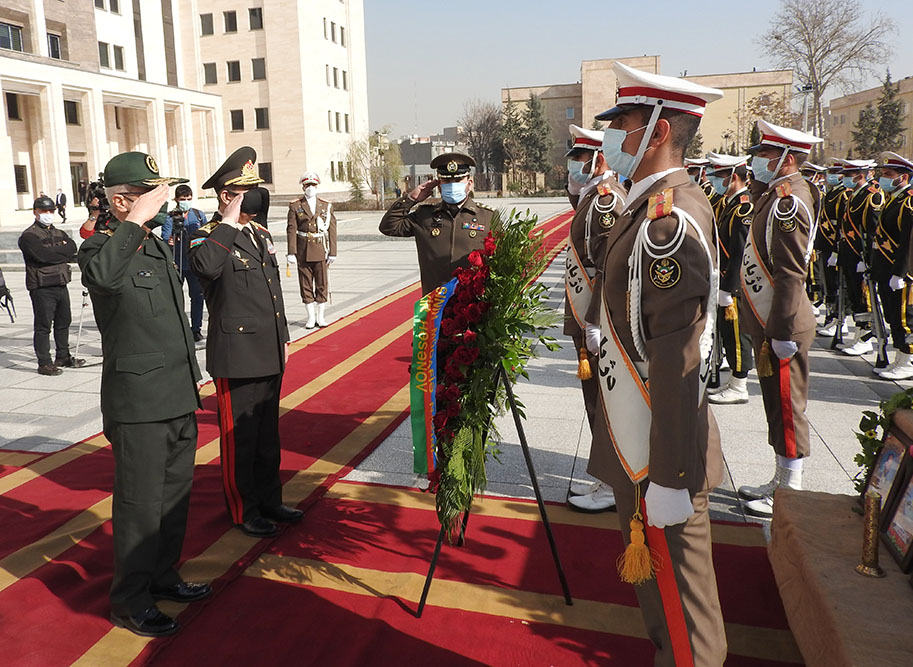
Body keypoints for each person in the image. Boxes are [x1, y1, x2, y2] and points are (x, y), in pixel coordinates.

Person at [586, 61, 727, 665]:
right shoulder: (645, 209)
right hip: (642, 431)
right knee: (662, 608)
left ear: (658, 132)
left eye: (625, 123)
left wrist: (669, 476)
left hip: (659, 442)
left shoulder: (666, 222)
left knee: (683, 613)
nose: (614, 137)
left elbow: (677, 355)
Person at [77, 151, 210, 637]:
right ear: (120, 201)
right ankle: (129, 600)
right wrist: (134, 220)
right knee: (139, 505)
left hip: (176, 393)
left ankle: (162, 574)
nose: (160, 202)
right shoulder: (102, 247)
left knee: (173, 498)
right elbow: (102, 278)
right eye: (147, 195)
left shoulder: (151, 246)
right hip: (139, 403)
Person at [190, 146, 298, 538]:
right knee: (241, 439)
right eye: (245, 190)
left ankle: (271, 498)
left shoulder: (261, 233)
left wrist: (283, 336)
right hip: (236, 355)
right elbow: (204, 269)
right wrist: (229, 222)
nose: (255, 195)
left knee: (268, 432)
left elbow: (272, 293)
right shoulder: (207, 236)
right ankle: (244, 508)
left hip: (268, 349)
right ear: (227, 195)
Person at [738, 120, 823, 517]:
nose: (757, 162)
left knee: (788, 406)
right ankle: (779, 479)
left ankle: (792, 488)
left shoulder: (788, 201)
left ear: (786, 159)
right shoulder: (776, 195)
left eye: (764, 155)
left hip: (784, 321)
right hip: (772, 318)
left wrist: (783, 329)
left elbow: (790, 272)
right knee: (775, 403)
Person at [562, 124, 626, 513]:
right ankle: (604, 477)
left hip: (596, 315)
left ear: (598, 159)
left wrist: (594, 320)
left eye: (579, 160)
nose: (572, 166)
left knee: (603, 402)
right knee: (594, 401)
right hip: (588, 314)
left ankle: (610, 483)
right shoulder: (592, 197)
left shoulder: (606, 201)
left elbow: (605, 267)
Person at [379, 153, 493, 295]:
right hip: (433, 303)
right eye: (447, 181)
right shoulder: (425, 216)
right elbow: (388, 226)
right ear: (439, 186)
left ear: (470, 183)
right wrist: (411, 199)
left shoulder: (487, 217)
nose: (452, 185)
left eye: (457, 180)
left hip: (472, 305)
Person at [705, 153, 755, 405]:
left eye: (718, 176)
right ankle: (733, 381)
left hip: (733, 284)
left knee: (737, 333)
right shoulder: (731, 204)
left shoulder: (744, 207)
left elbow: (740, 252)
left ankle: (739, 384)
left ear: (733, 177)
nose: (714, 181)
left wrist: (729, 287)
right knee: (727, 331)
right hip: (724, 279)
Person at [18, 195, 83, 375]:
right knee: (43, 326)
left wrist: (58, 252)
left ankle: (63, 355)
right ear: (35, 212)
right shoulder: (29, 235)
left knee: (64, 322)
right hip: (42, 286)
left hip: (61, 283)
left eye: (51, 211)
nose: (48, 214)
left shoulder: (58, 232)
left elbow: (72, 248)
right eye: (44, 211)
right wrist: (60, 252)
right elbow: (43, 256)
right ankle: (44, 362)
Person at [870, 152, 913, 380]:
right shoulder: (893, 198)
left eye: (889, 174)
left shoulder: (909, 200)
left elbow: (908, 240)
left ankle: (908, 359)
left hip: (901, 270)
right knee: (893, 315)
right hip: (886, 267)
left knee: (903, 318)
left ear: (903, 177)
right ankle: (900, 357)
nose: (884, 177)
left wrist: (900, 272)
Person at [837, 159, 884, 356]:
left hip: (860, 256)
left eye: (849, 175)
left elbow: (872, 232)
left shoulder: (871, 197)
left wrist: (868, 260)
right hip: (849, 254)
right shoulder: (854, 195)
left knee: (863, 297)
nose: (845, 178)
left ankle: (866, 336)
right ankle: (860, 331)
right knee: (854, 296)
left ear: (860, 175)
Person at [286, 171, 337, 328]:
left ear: (317, 186)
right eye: (307, 185)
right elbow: (291, 229)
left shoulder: (325, 205)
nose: (310, 188)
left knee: (322, 283)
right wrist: (291, 252)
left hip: (321, 249)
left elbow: (332, 229)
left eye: (313, 185)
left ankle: (320, 317)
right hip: (303, 250)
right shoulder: (295, 206)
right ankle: (310, 317)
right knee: (305, 283)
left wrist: (333, 252)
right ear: (303, 186)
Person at [163, 185, 207, 342]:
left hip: (194, 263)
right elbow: (165, 238)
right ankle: (178, 328)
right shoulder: (170, 217)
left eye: (189, 199)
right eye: (183, 199)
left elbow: (206, 235)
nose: (186, 202)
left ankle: (196, 328)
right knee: (176, 297)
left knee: (197, 296)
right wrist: (171, 240)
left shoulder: (199, 215)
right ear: (176, 200)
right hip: (177, 263)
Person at [815, 160, 849, 337]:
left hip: (833, 246)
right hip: (825, 245)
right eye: (830, 172)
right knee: (827, 284)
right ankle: (831, 317)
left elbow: (842, 225)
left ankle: (839, 319)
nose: (831, 175)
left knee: (836, 284)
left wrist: (836, 250)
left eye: (835, 172)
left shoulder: (843, 195)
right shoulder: (830, 194)